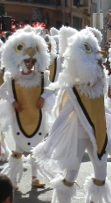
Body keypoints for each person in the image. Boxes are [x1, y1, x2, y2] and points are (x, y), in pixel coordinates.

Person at [32, 29, 111, 203]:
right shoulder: (74, 90)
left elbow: (100, 107)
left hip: (98, 134)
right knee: (72, 173)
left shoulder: (100, 84)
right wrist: (49, 141)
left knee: (101, 174)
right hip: (79, 135)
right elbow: (63, 116)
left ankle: (93, 201)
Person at [0, 27, 54, 188]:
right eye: (26, 61)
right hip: (20, 119)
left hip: (37, 119)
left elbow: (53, 88)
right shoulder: (12, 78)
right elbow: (1, 91)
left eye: (32, 62)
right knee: (18, 151)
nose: (29, 65)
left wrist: (43, 97)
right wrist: (12, 101)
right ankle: (15, 180)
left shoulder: (42, 77)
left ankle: (34, 178)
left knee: (36, 150)